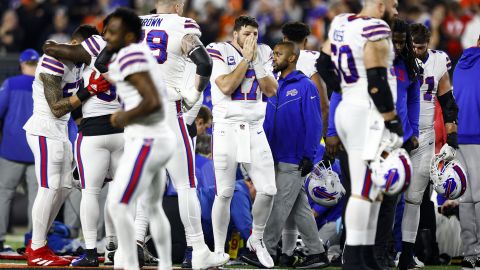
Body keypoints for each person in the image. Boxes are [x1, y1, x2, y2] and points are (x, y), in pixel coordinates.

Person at [139, 1, 229, 267]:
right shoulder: (183, 25)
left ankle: (131, 243)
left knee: (144, 181)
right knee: (185, 184)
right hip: (167, 108)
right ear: (178, 4)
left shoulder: (136, 24)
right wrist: (192, 96)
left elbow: (107, 62)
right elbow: (203, 62)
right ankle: (199, 249)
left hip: (137, 109)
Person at [317, 0, 402, 269]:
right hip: (367, 112)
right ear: (380, 4)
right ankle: (354, 257)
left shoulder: (342, 22)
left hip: (352, 108)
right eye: (394, 5)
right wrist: (391, 119)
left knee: (374, 189)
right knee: (364, 190)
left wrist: (345, 90)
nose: (396, 12)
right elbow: (377, 79)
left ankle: (365, 254)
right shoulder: (375, 27)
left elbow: (323, 62)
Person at [22, 26, 110, 266]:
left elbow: (74, 110)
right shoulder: (54, 60)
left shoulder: (80, 64)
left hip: (60, 130)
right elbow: (57, 107)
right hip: (44, 127)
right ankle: (37, 248)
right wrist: (89, 90)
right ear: (73, 45)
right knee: (49, 187)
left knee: (63, 187)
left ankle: (39, 243)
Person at [103, 7, 176, 270]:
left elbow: (152, 102)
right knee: (153, 207)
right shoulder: (139, 52)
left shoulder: (130, 54)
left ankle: (131, 265)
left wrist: (125, 116)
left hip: (148, 139)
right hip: (161, 138)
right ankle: (166, 265)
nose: (106, 36)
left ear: (129, 35)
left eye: (113, 31)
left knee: (117, 204)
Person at [207, 15, 278, 268]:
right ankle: (217, 251)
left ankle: (256, 239)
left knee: (269, 189)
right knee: (224, 192)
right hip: (227, 127)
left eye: (255, 34)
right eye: (247, 34)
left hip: (255, 128)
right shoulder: (218, 49)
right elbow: (225, 86)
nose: (252, 39)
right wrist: (247, 59)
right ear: (234, 34)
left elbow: (271, 90)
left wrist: (257, 62)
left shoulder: (265, 51)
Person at [254, 41, 328, 269]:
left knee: (278, 207)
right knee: (299, 208)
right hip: (272, 156)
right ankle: (317, 253)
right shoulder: (272, 84)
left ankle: (263, 249)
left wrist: (309, 154)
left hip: (293, 158)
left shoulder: (305, 85)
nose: (274, 57)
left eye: (278, 54)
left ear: (292, 57)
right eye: (273, 53)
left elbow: (315, 123)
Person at [398, 23, 459, 270]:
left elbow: (447, 100)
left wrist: (452, 137)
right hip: (400, 135)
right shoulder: (399, 60)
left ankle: (406, 255)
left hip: (425, 136)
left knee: (414, 199)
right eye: (413, 46)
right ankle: (381, 250)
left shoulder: (438, 61)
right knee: (389, 197)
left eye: (421, 47)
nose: (417, 50)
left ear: (429, 44)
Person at [374, 18, 421, 269]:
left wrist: (412, 129)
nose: (398, 46)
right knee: (369, 199)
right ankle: (360, 251)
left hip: (398, 140)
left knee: (391, 200)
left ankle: (382, 253)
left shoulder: (408, 66)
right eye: (395, 41)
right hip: (372, 139)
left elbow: (413, 99)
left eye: (403, 42)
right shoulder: (369, 62)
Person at [0, 49, 39, 253]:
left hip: (11, 150)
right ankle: (34, 243)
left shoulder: (11, 83)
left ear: (22, 64)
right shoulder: (45, 84)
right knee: (38, 198)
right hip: (37, 150)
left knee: (4, 195)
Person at [453, 35, 480, 270]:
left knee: (468, 197)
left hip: (461, 136)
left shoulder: (461, 63)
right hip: (479, 136)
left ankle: (471, 253)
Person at [280, 22, 329, 137]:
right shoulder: (316, 57)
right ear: (306, 41)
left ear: (284, 39)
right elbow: (323, 106)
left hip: (279, 129)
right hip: (309, 128)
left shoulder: (272, 60)